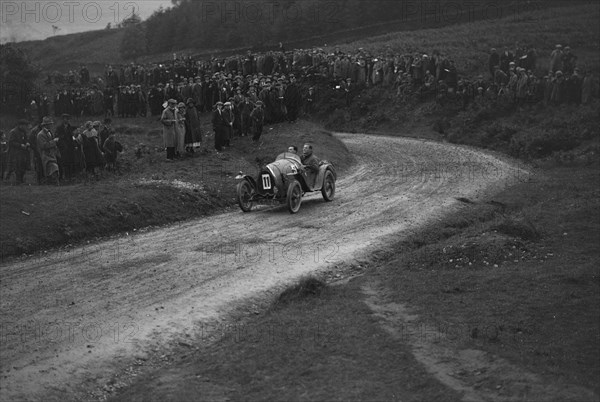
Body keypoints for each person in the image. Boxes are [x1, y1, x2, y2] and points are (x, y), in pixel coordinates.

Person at [36, 116, 60, 185]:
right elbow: (43, 146)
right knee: (53, 168)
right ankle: (54, 183)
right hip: (46, 155)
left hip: (52, 154)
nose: (51, 125)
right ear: (46, 125)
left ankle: (52, 182)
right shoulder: (40, 135)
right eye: (50, 124)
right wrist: (54, 141)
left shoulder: (49, 132)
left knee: (53, 169)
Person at [6, 119, 31, 184]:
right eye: (25, 125)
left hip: (23, 152)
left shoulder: (24, 132)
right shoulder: (13, 132)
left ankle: (21, 180)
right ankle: (15, 180)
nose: (26, 127)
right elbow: (11, 142)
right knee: (16, 167)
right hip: (15, 153)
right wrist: (20, 145)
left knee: (23, 166)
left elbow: (26, 139)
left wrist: (27, 143)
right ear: (20, 125)